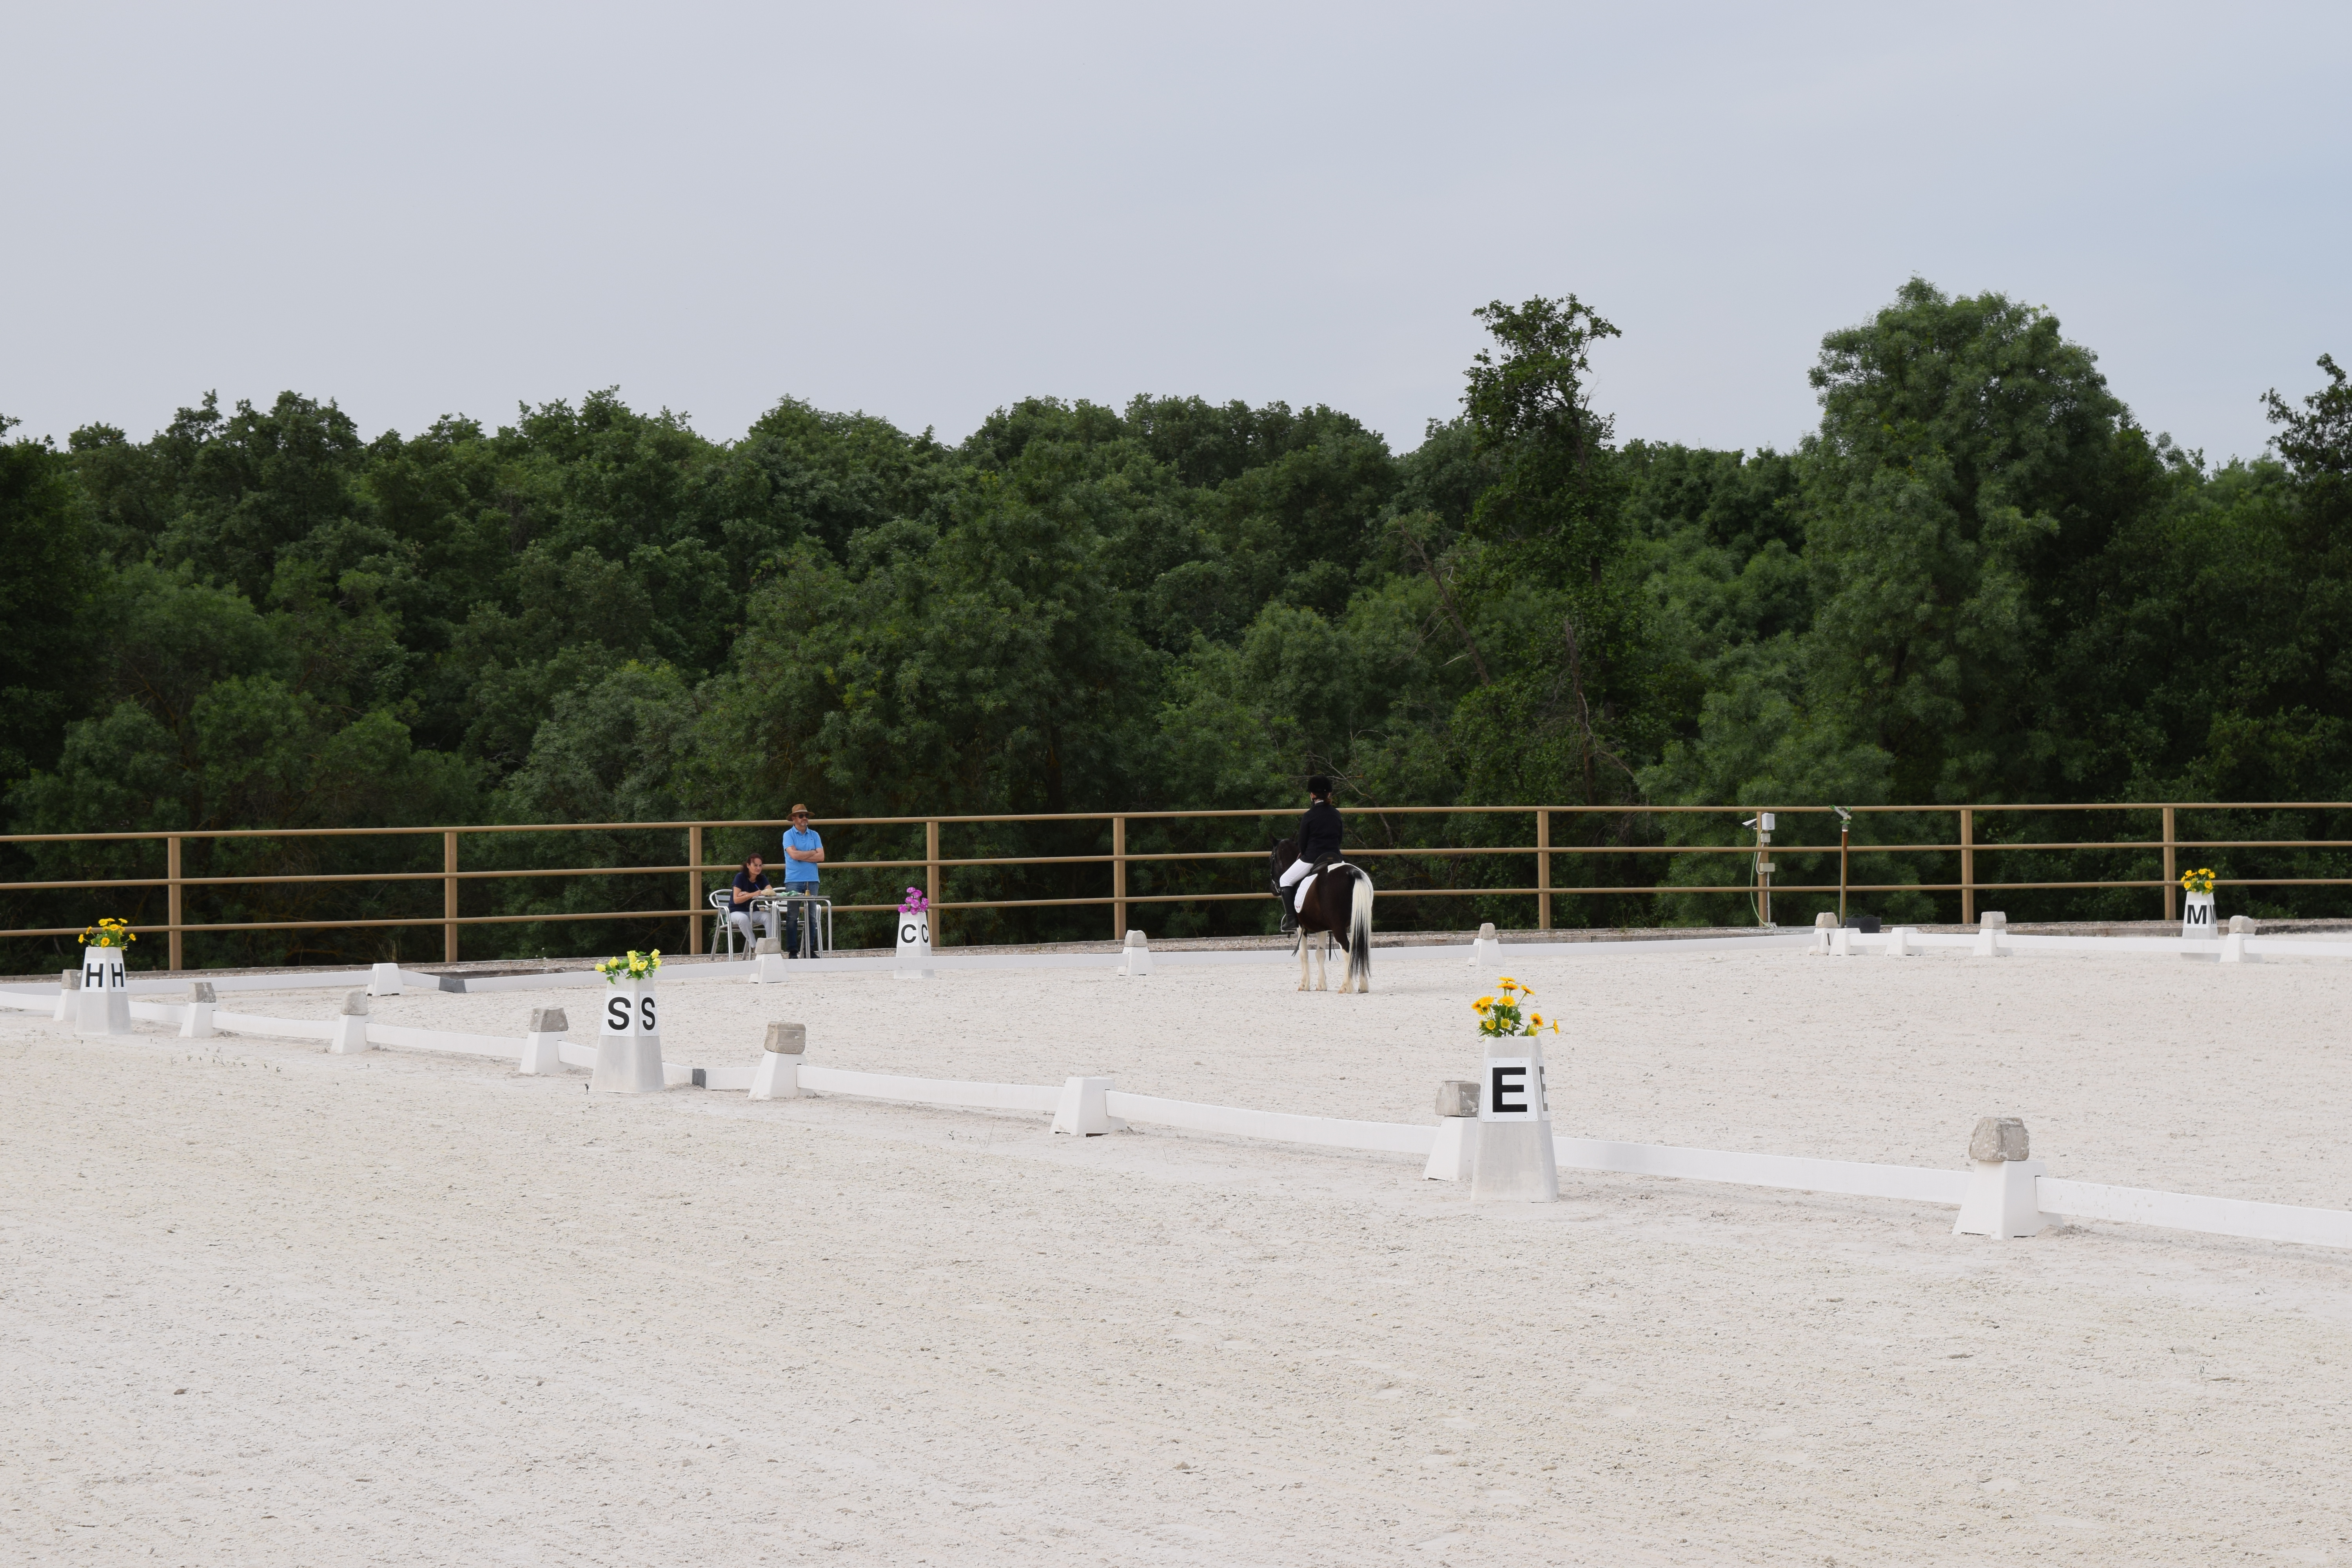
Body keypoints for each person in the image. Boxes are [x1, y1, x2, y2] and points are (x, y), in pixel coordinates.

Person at [1274, 777, 1344, 935]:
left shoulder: (1309, 815)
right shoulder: (1336, 814)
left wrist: (1303, 853)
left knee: (1285, 880)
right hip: (1335, 857)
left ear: (1313, 795)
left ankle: (1292, 920)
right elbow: (1340, 838)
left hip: (1313, 858)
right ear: (1329, 794)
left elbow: (1302, 842)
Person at [779, 804, 826, 957]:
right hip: (793, 880)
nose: (805, 818)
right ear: (794, 818)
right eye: (801, 816)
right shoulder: (788, 835)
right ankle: (793, 950)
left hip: (812, 880)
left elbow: (822, 857)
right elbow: (794, 856)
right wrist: (812, 853)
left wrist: (801, 854)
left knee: (811, 917)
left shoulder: (815, 835)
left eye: (806, 816)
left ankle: (809, 950)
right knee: (792, 916)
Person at [728, 854, 774, 949]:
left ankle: (772, 945)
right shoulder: (740, 877)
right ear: (748, 866)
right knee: (743, 918)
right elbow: (736, 900)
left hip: (753, 911)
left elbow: (771, 892)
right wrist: (752, 894)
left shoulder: (762, 878)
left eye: (760, 866)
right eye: (755, 865)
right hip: (736, 912)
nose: (758, 868)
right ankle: (755, 947)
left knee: (768, 916)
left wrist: (750, 894)